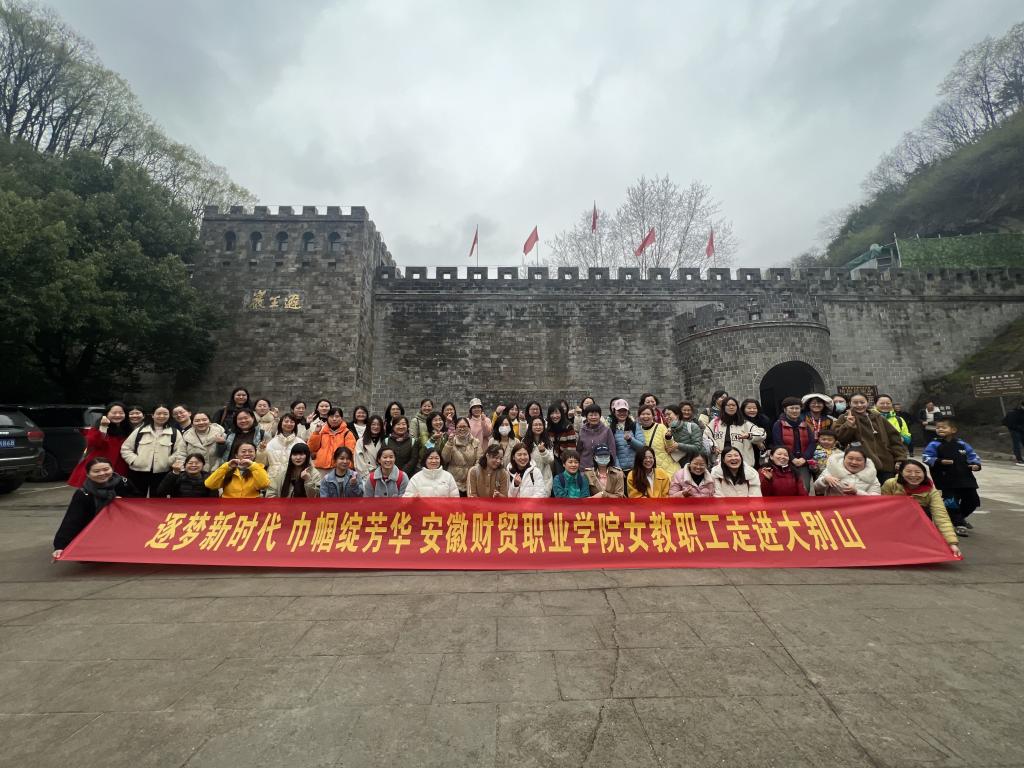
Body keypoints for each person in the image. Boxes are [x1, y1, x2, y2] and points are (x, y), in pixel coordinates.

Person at [52, 458, 138, 557]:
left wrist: (124, 501)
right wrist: (60, 546)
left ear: (112, 469)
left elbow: (138, 504)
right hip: (96, 528)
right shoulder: (83, 493)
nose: (102, 473)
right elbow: (72, 520)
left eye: (106, 469)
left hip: (123, 526)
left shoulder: (124, 483)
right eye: (96, 471)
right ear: (88, 474)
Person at [882, 460, 961, 557]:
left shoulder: (931, 491)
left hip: (918, 525)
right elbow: (882, 508)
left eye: (918, 472)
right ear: (901, 473)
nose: (913, 475)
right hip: (893, 523)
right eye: (909, 471)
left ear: (924, 474)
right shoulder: (890, 484)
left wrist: (952, 543)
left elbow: (941, 517)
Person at [922, 417, 982, 537]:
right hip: (945, 480)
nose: (940, 429)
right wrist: (939, 461)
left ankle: (957, 518)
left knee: (973, 501)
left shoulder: (962, 444)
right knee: (951, 502)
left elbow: (973, 456)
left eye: (944, 427)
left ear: (953, 429)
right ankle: (959, 524)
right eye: (938, 427)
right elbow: (926, 457)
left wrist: (976, 465)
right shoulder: (934, 444)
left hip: (966, 478)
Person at [833, 393, 907, 483]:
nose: (859, 405)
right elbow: (840, 438)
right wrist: (849, 425)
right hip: (861, 466)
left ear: (867, 403)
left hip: (886, 463)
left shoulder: (878, 417)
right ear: (850, 404)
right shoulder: (844, 417)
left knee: (886, 489)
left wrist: (900, 458)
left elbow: (894, 439)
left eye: (862, 402)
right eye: (855, 403)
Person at [121, 404, 186, 497]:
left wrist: (169, 462)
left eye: (165, 414)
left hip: (162, 473)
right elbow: (126, 449)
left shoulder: (174, 433)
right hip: (138, 472)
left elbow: (180, 452)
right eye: (158, 413)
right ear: (152, 415)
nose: (162, 416)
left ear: (169, 415)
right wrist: (134, 461)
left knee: (158, 499)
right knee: (135, 498)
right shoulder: (140, 431)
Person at [69, 401, 132, 487]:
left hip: (120, 467)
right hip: (100, 466)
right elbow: (94, 443)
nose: (117, 415)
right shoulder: (98, 427)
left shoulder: (127, 428)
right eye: (114, 413)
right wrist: (103, 427)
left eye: (121, 413)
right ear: (107, 414)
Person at [704, 397, 765, 469]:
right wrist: (713, 445)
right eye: (728, 405)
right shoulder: (715, 422)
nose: (731, 407)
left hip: (743, 465)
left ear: (737, 407)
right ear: (724, 407)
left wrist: (749, 435)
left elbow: (762, 433)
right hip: (720, 463)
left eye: (733, 405)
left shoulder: (745, 423)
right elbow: (706, 435)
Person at [771, 397, 815, 492]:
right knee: (786, 489)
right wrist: (792, 459)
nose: (794, 411)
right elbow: (778, 443)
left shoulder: (806, 424)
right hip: (785, 461)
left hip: (803, 462)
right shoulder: (778, 424)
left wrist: (804, 458)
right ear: (785, 410)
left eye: (797, 408)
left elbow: (812, 443)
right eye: (791, 408)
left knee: (804, 488)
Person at [204, 440, 270, 498]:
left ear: (255, 454)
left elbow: (264, 485)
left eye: (251, 451)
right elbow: (209, 484)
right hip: (229, 505)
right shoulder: (227, 469)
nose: (247, 454)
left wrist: (252, 466)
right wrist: (226, 466)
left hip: (251, 505)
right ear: (236, 455)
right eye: (243, 451)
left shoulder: (258, 468)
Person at [813, 448, 881, 496]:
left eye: (859, 460)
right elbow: (816, 489)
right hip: (834, 509)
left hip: (859, 509)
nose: (854, 462)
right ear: (844, 459)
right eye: (850, 458)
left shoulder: (871, 474)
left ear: (865, 462)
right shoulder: (832, 469)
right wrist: (825, 480)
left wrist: (857, 492)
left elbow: (875, 498)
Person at [264, 413, 306, 488]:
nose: (289, 424)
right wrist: (261, 451)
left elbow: (307, 462)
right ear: (280, 423)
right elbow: (263, 463)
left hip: (294, 480)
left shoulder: (300, 442)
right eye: (286, 421)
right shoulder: (271, 443)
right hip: (274, 480)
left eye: (292, 422)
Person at [442, 417, 481, 496]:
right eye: (459, 427)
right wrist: (449, 444)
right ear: (455, 429)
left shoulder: (476, 442)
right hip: (454, 482)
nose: (462, 429)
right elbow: (445, 459)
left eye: (464, 427)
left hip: (470, 482)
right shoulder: (451, 441)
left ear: (469, 428)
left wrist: (473, 474)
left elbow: (479, 459)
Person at [638, 404, 679, 474]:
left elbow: (671, 447)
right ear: (638, 417)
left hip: (669, 469)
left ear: (653, 416)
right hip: (650, 470)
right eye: (643, 414)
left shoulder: (661, 427)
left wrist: (668, 438)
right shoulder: (637, 431)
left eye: (648, 414)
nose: (645, 416)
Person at [577, 404, 617, 469]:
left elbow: (612, 450)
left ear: (600, 416)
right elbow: (579, 450)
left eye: (596, 415)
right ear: (586, 417)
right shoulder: (582, 431)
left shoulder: (606, 430)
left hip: (602, 468)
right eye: (591, 415)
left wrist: (612, 466)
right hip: (585, 467)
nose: (593, 417)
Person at [609, 399, 645, 472]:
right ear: (614, 411)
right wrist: (618, 469)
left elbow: (642, 447)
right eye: (619, 411)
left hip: (636, 468)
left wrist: (630, 440)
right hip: (619, 471)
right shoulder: (610, 428)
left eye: (624, 411)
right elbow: (612, 451)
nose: (622, 413)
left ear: (628, 412)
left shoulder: (634, 425)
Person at [522, 416, 555, 494]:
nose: (538, 427)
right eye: (535, 425)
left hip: (545, 477)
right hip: (529, 477)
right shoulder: (524, 441)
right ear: (531, 426)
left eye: (540, 425)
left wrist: (543, 451)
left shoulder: (548, 441)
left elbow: (550, 460)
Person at [547, 403, 576, 468]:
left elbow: (572, 448)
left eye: (557, 413)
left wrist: (568, 462)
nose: (554, 416)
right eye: (552, 413)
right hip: (552, 457)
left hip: (566, 459)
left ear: (562, 414)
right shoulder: (549, 427)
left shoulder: (568, 427)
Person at [1002, 399, 1024, 466]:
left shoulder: (1015, 412)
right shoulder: (1014, 413)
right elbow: (1005, 422)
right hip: (1015, 430)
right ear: (1022, 406)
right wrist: (1014, 427)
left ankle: (1019, 459)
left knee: (1018, 444)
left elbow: (1004, 422)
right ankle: (1019, 459)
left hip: (1020, 430)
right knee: (1017, 445)